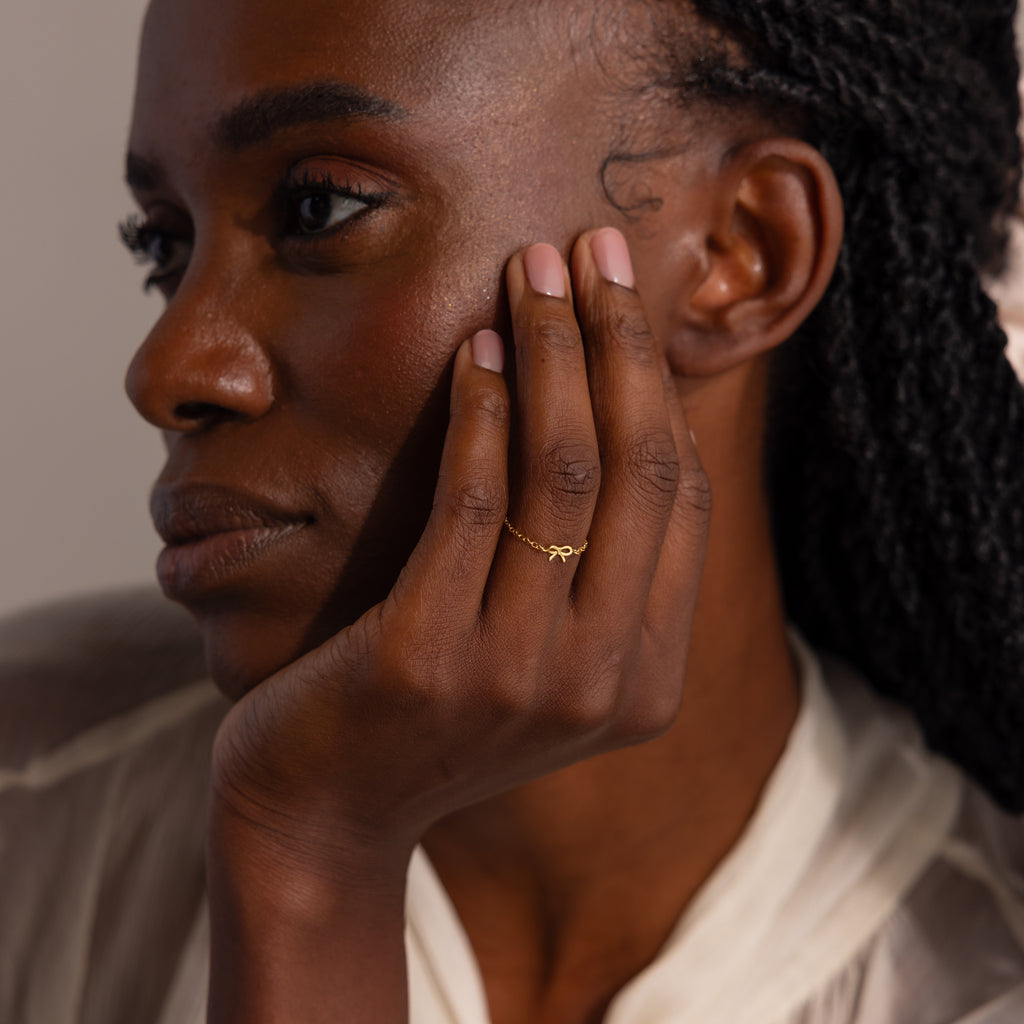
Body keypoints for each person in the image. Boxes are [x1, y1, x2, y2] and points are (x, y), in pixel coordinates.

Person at [2, 0, 1023, 1022]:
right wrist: (306, 860)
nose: (168, 369)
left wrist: (315, 854)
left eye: (319, 208)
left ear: (739, 251)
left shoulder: (982, 971)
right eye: (163, 246)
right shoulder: (27, 799)